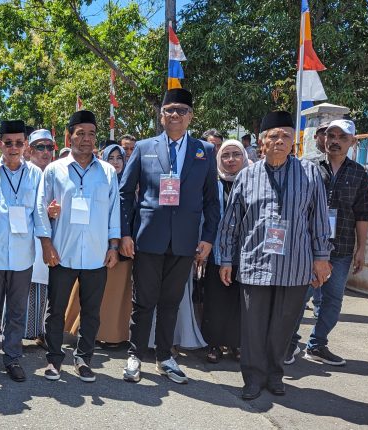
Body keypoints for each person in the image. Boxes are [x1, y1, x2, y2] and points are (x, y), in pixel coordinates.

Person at [218, 111, 332, 400]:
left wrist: (321, 258)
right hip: (255, 263)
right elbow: (231, 222)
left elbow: (318, 219)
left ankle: (275, 374)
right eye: (273, 136)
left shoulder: (310, 174)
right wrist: (226, 259)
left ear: (293, 141)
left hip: (295, 265)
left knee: (283, 326)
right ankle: (253, 379)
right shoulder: (246, 176)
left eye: (285, 136)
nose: (279, 141)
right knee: (253, 327)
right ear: (261, 143)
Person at [119, 88, 219, 385]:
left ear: (190, 116)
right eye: (169, 110)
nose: (175, 115)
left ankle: (165, 356)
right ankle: (135, 355)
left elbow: (211, 200)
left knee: (171, 301)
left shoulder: (205, 151)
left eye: (181, 110)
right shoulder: (144, 147)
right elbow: (126, 194)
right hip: (148, 238)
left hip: (186, 241)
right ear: (161, 116)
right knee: (144, 301)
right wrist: (125, 233)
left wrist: (208, 238)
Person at [36, 110, 121, 383]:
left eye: (91, 134)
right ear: (68, 136)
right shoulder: (54, 170)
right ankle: (53, 360)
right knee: (56, 310)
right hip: (62, 252)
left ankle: (84, 359)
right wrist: (47, 244)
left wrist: (113, 245)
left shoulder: (107, 172)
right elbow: (41, 210)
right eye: (80, 133)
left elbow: (114, 212)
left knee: (91, 312)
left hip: (97, 253)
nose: (86, 139)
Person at [287, 119, 368, 367]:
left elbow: (364, 213)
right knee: (299, 297)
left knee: (333, 299)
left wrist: (361, 249)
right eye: (331, 135)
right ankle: (289, 343)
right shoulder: (306, 167)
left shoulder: (359, 173)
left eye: (342, 137)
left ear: (352, 142)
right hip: (308, 247)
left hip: (342, 247)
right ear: (324, 138)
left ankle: (317, 345)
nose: (335, 141)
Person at [0, 120, 45, 383]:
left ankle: (13, 357)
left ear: (25, 145)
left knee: (17, 310)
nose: (13, 148)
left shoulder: (36, 173)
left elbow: (39, 210)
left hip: (23, 254)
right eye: (8, 142)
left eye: (19, 143)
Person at [64, 144, 132, 345]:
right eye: (111, 158)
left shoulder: (131, 184)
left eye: (119, 158)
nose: (116, 162)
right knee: (92, 297)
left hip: (121, 249)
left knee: (116, 297)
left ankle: (112, 336)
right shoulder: (98, 178)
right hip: (94, 247)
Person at [201, 139, 249, 364]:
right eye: (225, 155)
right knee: (215, 298)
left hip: (246, 251)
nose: (231, 160)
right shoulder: (212, 181)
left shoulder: (253, 181)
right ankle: (214, 343)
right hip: (216, 251)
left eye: (236, 154)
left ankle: (236, 343)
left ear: (244, 157)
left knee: (239, 300)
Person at [22, 130, 54, 343]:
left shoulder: (57, 172)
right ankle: (19, 332)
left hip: (52, 237)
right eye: (40, 147)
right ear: (30, 150)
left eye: (49, 147)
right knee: (23, 286)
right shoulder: (25, 172)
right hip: (24, 237)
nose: (45, 152)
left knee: (45, 286)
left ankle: (42, 332)